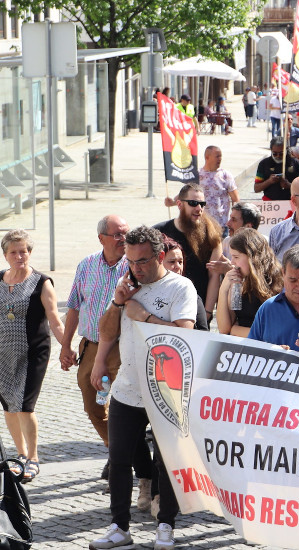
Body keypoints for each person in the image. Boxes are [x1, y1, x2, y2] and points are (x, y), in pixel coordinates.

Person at [89, 226, 197, 550]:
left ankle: (165, 527)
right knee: (119, 459)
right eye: (131, 261)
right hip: (127, 387)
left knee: (167, 462)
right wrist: (117, 303)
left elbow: (184, 335)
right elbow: (107, 331)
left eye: (143, 261)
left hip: (167, 390)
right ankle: (119, 528)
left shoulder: (181, 288)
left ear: (160, 256)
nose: (136, 268)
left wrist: (145, 317)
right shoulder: (127, 285)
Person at [59, 216, 132, 471]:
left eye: (126, 233)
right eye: (117, 234)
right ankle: (118, 449)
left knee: (128, 407)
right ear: (101, 238)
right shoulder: (86, 265)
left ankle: (121, 461)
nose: (123, 239)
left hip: (123, 349)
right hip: (90, 347)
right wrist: (66, 345)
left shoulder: (133, 267)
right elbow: (74, 307)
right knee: (94, 406)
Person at [0, 229, 65, 483]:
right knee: (8, 405)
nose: (20, 256)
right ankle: (20, 454)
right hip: (2, 353)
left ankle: (34, 458)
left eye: (24, 251)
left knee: (25, 406)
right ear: (5, 255)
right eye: (14, 252)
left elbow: (56, 321)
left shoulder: (41, 282)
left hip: (32, 352)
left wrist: (67, 348)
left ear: (30, 252)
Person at [154, 183, 223, 324]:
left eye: (202, 204)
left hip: (197, 309)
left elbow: (214, 276)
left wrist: (208, 312)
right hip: (162, 307)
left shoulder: (211, 236)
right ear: (179, 205)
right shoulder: (158, 232)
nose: (199, 208)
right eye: (193, 203)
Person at [216, 228, 283, 338]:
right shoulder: (238, 283)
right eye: (231, 256)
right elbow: (224, 329)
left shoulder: (277, 281)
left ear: (252, 257)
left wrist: (235, 330)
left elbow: (270, 333)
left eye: (236, 257)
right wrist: (223, 290)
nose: (232, 262)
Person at [181, 146, 238, 235]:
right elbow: (185, 195)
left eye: (221, 156)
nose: (220, 159)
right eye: (217, 156)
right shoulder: (197, 175)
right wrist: (172, 201)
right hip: (201, 225)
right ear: (207, 157)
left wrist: (235, 219)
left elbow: (235, 199)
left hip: (221, 226)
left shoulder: (225, 175)